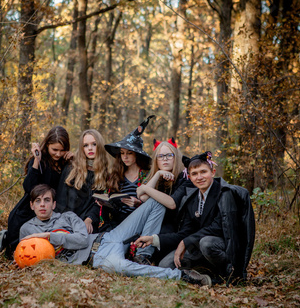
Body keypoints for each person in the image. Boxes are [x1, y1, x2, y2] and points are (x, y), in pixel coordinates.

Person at [20, 184, 212, 286]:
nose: (42, 205)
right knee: (122, 267)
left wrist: (49, 236)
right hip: (98, 258)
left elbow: (81, 240)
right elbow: (28, 257)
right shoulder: (27, 230)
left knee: (155, 203)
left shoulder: (69, 217)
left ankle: (143, 255)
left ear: (54, 204)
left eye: (47, 200)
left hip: (108, 237)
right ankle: (180, 276)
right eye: (38, 201)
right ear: (32, 205)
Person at [134, 151, 256, 284]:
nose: (199, 177)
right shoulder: (192, 199)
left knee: (207, 243)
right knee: (165, 264)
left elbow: (219, 227)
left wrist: (186, 242)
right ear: (190, 178)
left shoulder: (225, 193)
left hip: (222, 246)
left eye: (203, 172)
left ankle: (226, 274)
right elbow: (186, 232)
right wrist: (153, 239)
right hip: (198, 245)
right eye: (194, 174)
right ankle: (203, 272)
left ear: (213, 172)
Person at [0, 126, 73, 257]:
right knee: (20, 250)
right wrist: (36, 160)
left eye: (62, 150)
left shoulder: (65, 162)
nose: (58, 154)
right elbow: (29, 187)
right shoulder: (40, 161)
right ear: (47, 145)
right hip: (29, 209)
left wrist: (74, 159)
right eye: (54, 150)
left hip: (51, 209)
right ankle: (7, 239)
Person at [131, 138, 193, 265]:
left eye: (169, 155)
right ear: (156, 160)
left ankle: (145, 256)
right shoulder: (159, 178)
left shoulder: (184, 178)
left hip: (173, 230)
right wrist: (158, 174)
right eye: (160, 156)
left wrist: (144, 187)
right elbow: (142, 197)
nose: (165, 159)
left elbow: (171, 203)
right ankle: (141, 255)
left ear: (175, 157)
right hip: (155, 226)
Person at [100, 116, 154, 232]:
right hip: (116, 223)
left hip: (139, 223)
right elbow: (109, 199)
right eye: (122, 153)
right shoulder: (115, 175)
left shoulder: (148, 175)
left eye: (129, 153)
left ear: (137, 154)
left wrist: (138, 203)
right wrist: (104, 201)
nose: (125, 157)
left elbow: (154, 205)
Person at [55, 129, 111, 234]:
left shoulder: (105, 174)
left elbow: (99, 204)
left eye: (94, 144)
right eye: (85, 145)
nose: (90, 148)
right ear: (82, 148)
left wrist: (89, 219)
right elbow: (61, 200)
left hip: (90, 223)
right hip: (66, 222)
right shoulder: (71, 169)